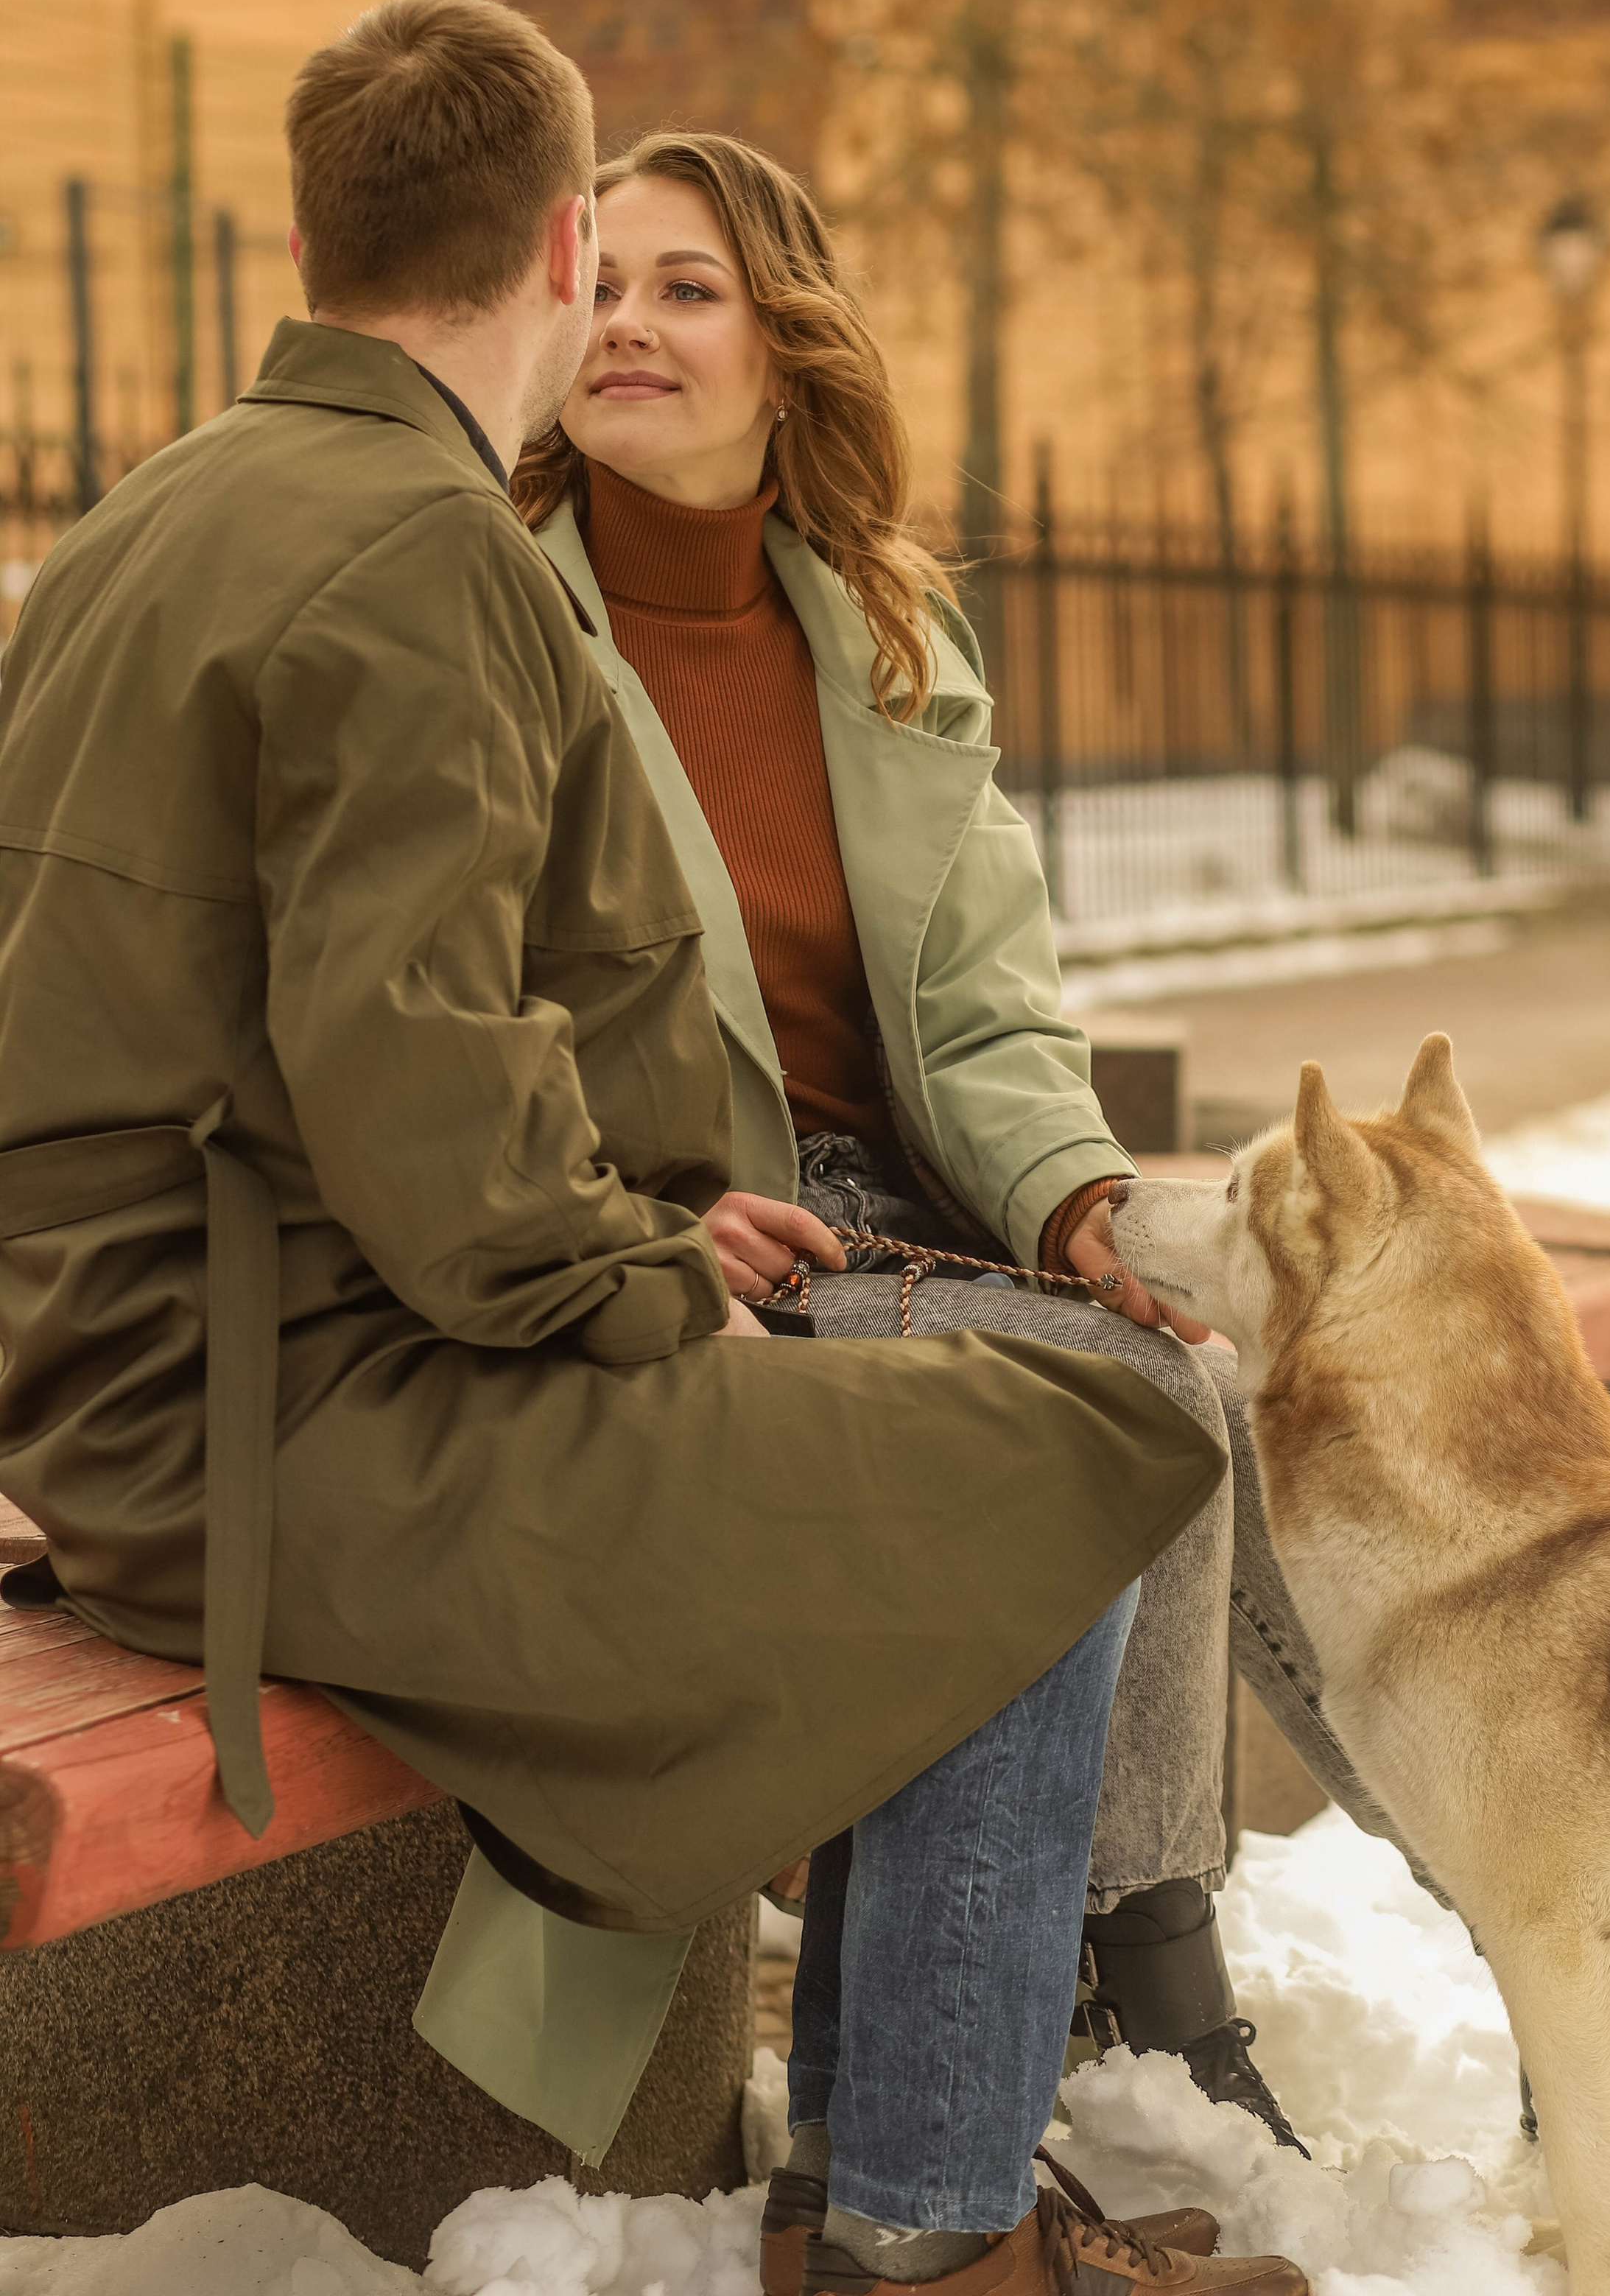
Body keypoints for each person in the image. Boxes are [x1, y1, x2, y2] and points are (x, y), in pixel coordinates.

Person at [0, 0, 1304, 2296]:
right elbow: (414, 1058)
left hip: (182, 1371)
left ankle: (906, 2183)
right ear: (558, 236)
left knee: (1001, 1441)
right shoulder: (422, 550)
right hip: (287, 1413)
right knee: (1045, 1462)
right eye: (615, 270)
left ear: (306, 233)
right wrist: (626, 1271)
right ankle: (923, 2233)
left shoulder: (156, 512)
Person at [509, 133, 1414, 2174]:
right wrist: (630, 1227)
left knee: (1230, 1367)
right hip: (703, 1254)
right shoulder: (494, 622)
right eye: (599, 282)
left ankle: (1572, 1973)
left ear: (787, 349)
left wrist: (1078, 1199)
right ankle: (1160, 1983)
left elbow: (991, 1012)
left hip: (918, 1226)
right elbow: (453, 1008)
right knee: (1121, 1400)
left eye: (688, 288)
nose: (626, 325)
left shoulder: (885, 633)